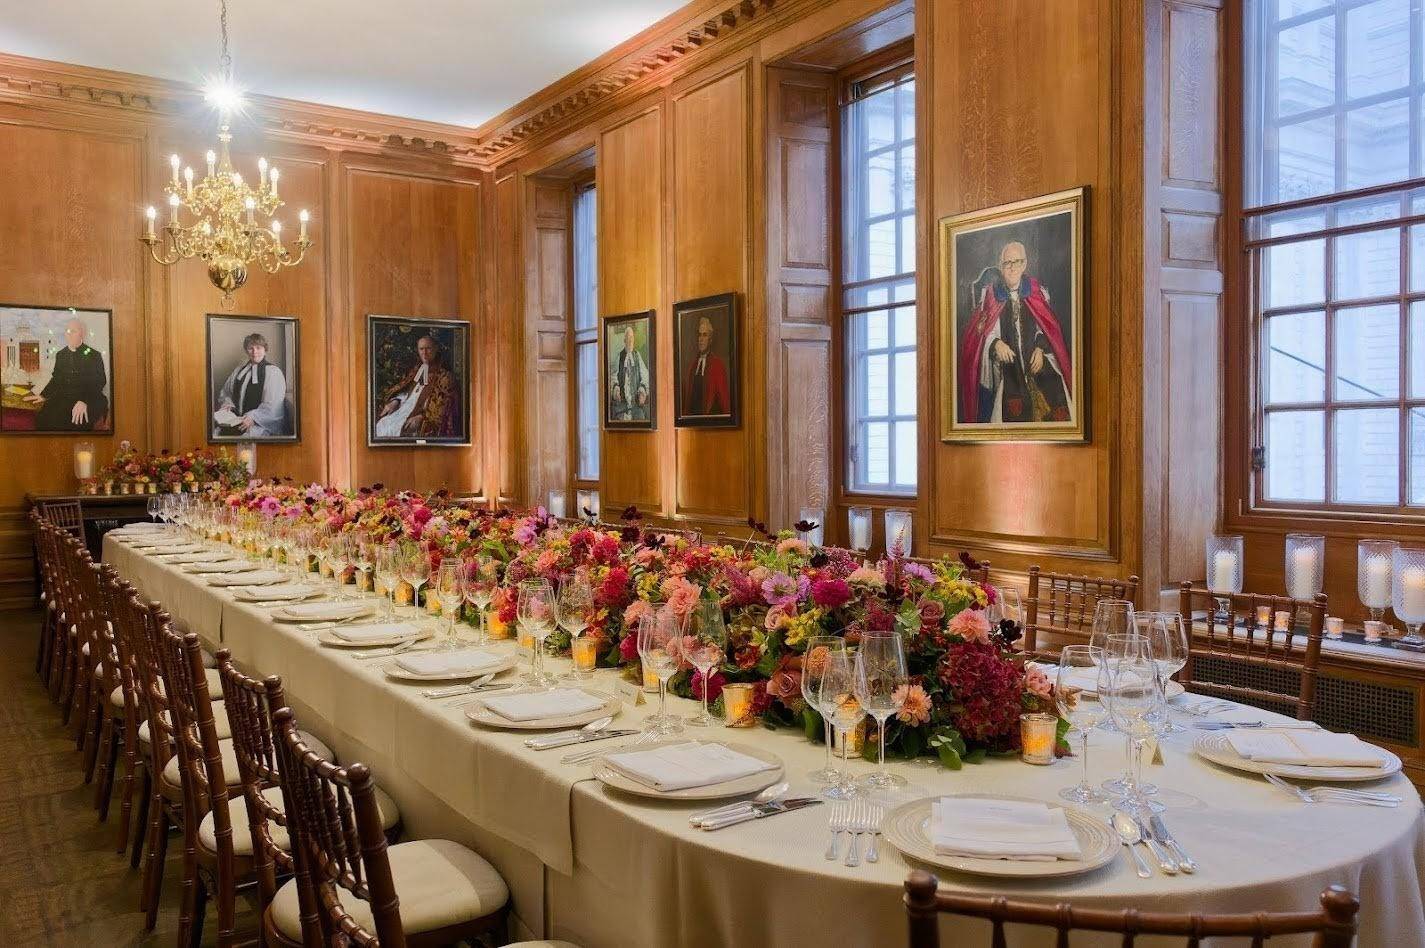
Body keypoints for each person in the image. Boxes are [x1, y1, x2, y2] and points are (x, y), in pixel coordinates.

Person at [957, 240, 1073, 425]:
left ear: (1024, 264)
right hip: (1009, 369)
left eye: (1017, 262)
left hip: (1036, 361)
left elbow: (1045, 328)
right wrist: (996, 344)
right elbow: (982, 332)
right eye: (1007, 263)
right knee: (1013, 408)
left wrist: (1040, 349)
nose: (1012, 268)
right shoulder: (991, 295)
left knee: (1055, 400)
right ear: (1001, 267)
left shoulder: (1036, 292)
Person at [23, 318, 109, 431]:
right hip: (65, 398)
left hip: (90, 397)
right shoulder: (61, 355)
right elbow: (56, 379)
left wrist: (84, 401)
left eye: (73, 331)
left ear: (82, 334)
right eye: (67, 331)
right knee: (43, 419)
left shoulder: (94, 355)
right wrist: (43, 395)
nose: (69, 334)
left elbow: (100, 382)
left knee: (77, 423)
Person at [374, 333, 460, 439]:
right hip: (403, 409)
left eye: (428, 348)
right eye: (421, 349)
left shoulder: (445, 377)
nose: (424, 353)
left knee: (397, 430)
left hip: (419, 415)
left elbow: (445, 408)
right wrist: (396, 401)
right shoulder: (417, 370)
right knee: (381, 425)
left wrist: (422, 417)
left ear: (436, 349)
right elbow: (407, 391)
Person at [214, 332, 289, 437]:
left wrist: (254, 418)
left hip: (259, 424)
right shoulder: (239, 371)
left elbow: (273, 406)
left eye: (258, 348)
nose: (254, 352)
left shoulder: (273, 372)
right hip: (236, 420)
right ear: (246, 351)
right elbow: (226, 392)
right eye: (250, 348)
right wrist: (228, 404)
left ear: (265, 350)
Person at [680, 315, 730, 417]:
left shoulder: (718, 366)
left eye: (704, 335)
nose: (701, 339)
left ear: (710, 340)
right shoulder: (692, 367)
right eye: (699, 335)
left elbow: (725, 405)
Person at [609, 324, 650, 422]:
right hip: (622, 407)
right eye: (628, 338)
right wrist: (616, 389)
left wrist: (642, 391)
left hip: (636, 405)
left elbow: (645, 376)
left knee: (641, 419)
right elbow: (613, 376)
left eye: (632, 338)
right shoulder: (619, 357)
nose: (630, 340)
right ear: (624, 340)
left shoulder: (637, 356)